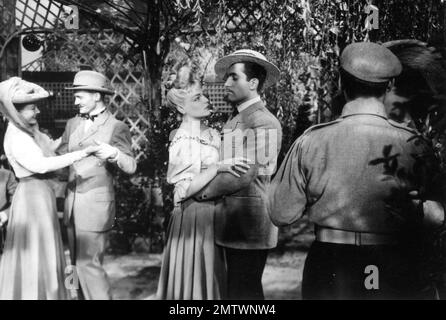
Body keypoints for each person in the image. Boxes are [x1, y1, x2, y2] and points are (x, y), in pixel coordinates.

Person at [269, 42, 445, 299]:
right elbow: (440, 214)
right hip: (395, 262)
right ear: (388, 87)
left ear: (341, 83)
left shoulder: (311, 141)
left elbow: (280, 212)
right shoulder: (414, 144)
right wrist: (419, 209)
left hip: (331, 263)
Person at [156, 65, 250, 300]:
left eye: (204, 95)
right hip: (193, 218)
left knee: (216, 281)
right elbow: (184, 189)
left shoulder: (211, 133)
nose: (206, 100)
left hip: (215, 214)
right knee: (196, 285)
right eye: (197, 98)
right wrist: (217, 167)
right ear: (181, 107)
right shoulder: (182, 140)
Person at [195, 49, 283, 299]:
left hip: (249, 223)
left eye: (234, 77)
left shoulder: (263, 122)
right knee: (236, 291)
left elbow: (242, 174)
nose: (226, 83)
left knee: (244, 292)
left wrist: (200, 194)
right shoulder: (238, 119)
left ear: (253, 83)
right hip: (233, 222)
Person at [0, 77, 98, 299]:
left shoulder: (28, 132)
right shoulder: (16, 137)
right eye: (32, 108)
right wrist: (82, 153)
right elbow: (42, 165)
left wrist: (75, 129)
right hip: (31, 197)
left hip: (41, 196)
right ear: (17, 111)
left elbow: (50, 147)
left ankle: (51, 292)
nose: (36, 112)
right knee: (36, 249)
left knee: (47, 247)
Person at [56, 70, 137, 300]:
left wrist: (114, 154)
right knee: (71, 264)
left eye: (79, 96)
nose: (75, 101)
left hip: (95, 207)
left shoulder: (116, 126)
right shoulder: (72, 124)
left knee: (89, 266)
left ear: (97, 96)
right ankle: (73, 298)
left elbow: (131, 166)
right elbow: (59, 154)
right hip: (71, 205)